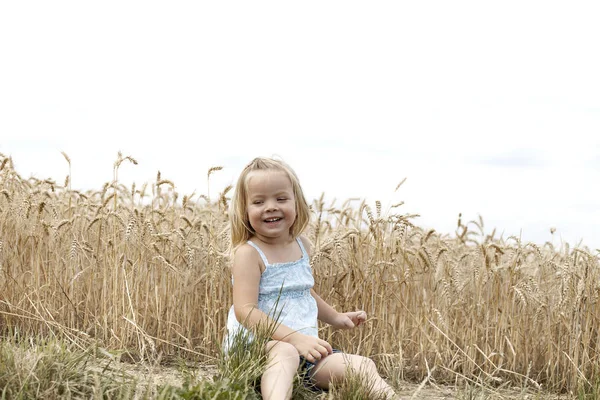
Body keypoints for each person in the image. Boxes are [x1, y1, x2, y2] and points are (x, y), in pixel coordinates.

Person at [224, 157, 397, 400]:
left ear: (297, 203)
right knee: (285, 353)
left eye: (281, 198)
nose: (271, 207)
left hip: (306, 352)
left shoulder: (302, 245)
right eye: (259, 201)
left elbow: (304, 293)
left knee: (363, 366)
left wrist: (336, 317)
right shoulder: (249, 253)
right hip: (257, 351)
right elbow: (245, 311)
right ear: (244, 210)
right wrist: (294, 339)